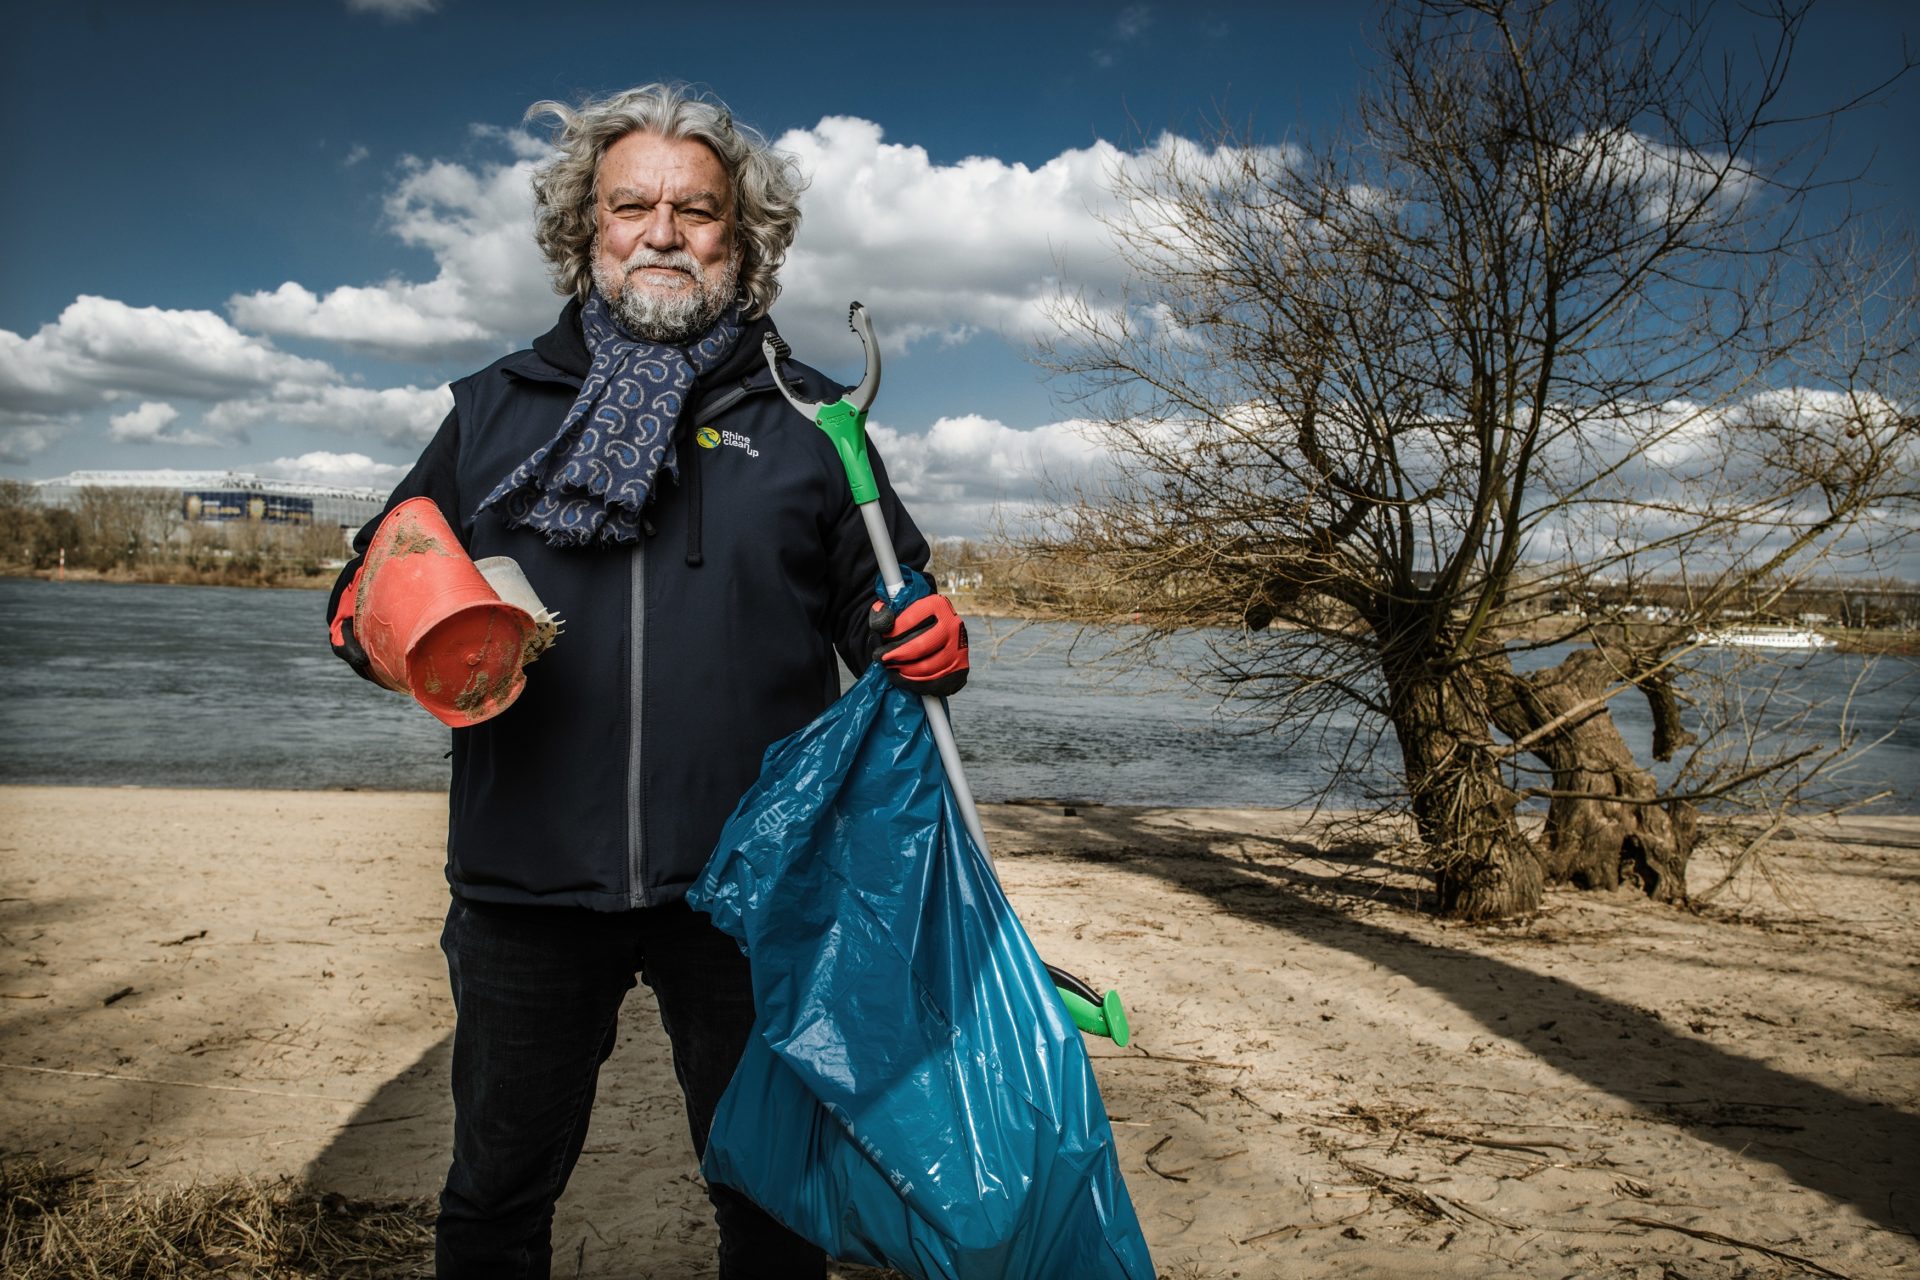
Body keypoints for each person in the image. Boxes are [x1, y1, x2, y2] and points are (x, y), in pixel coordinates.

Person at [325, 83, 971, 1280]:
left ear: (746, 240)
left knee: (774, 1207)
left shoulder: (814, 419)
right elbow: (366, 590)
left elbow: (885, 601)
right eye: (632, 205)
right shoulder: (493, 410)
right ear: (587, 232)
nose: (664, 231)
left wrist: (921, 631)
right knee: (495, 1199)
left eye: (699, 210)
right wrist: (394, 624)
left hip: (747, 889)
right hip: (524, 885)